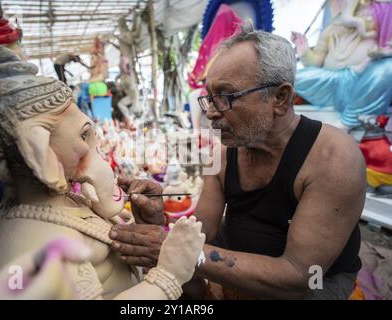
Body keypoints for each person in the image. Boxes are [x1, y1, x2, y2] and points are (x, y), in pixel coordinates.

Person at [108, 24, 367, 299]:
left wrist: (182, 251)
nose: (211, 114)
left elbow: (300, 275)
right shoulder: (220, 155)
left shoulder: (333, 158)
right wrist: (158, 221)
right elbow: (201, 234)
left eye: (226, 97)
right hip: (242, 266)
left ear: (279, 98)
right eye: (209, 98)